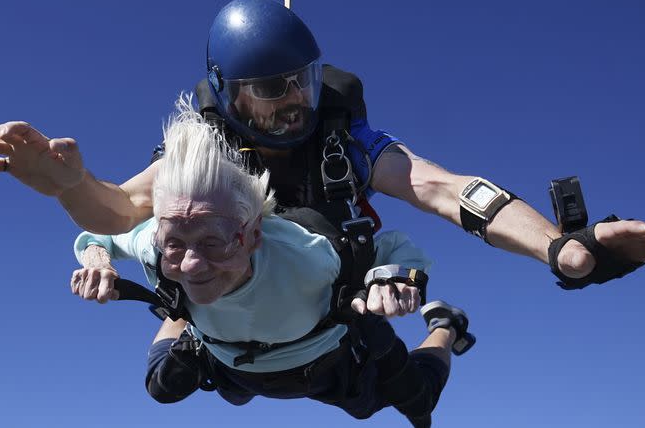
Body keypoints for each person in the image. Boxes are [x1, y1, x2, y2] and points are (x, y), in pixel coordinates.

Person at [0, 0, 645, 299]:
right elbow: (123, 208)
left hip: (339, 307)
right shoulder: (207, 144)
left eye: (303, 81)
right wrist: (66, 184)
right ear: (228, 94)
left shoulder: (342, 139)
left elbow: (449, 191)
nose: (294, 101)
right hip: (229, 298)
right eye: (270, 89)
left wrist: (566, 250)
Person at [71, 104, 469, 427]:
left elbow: (396, 248)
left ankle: (446, 326)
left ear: (254, 235)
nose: (192, 262)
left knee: (418, 403)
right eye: (175, 242)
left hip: (325, 357)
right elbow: (98, 235)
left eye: (213, 242)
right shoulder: (156, 242)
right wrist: (98, 261)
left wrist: (392, 278)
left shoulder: (309, 256)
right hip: (229, 360)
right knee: (162, 387)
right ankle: (187, 314)